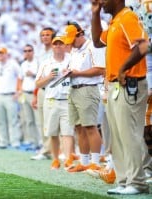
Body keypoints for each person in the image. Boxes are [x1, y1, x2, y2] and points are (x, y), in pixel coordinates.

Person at [91, 0, 151, 195]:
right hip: (116, 86)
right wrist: (95, 13)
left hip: (129, 84)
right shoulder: (115, 21)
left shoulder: (127, 17)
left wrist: (124, 68)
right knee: (117, 137)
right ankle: (125, 180)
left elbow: (143, 46)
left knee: (130, 135)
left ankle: (138, 182)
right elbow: (96, 41)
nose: (100, 1)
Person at [64, 21, 105, 172]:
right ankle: (84, 161)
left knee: (90, 127)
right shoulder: (75, 50)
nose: (71, 44)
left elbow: (100, 69)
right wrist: (67, 72)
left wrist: (78, 73)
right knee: (79, 127)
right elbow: (75, 70)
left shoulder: (93, 46)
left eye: (72, 40)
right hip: (74, 89)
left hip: (88, 89)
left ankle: (95, 162)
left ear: (80, 34)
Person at [35, 36, 75, 170]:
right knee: (52, 132)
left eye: (60, 44)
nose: (58, 46)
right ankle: (56, 159)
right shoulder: (46, 63)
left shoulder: (72, 59)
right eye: (55, 44)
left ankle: (68, 158)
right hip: (51, 101)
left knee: (67, 132)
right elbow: (37, 83)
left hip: (68, 100)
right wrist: (48, 77)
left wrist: (71, 73)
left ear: (65, 46)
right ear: (52, 47)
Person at [0, 47, 23, 149]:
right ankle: (3, 141)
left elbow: (21, 76)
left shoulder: (13, 64)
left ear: (6, 54)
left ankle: (15, 141)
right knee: (0, 120)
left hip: (10, 95)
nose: (0, 55)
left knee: (13, 120)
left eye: (2, 53)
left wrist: (19, 91)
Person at [31, 27, 56, 160]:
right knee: (42, 121)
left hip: (53, 89)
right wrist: (35, 95)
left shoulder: (56, 51)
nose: (45, 37)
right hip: (42, 89)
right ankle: (46, 149)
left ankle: (58, 150)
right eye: (43, 35)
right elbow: (38, 76)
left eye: (48, 35)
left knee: (54, 120)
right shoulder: (40, 54)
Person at [20, 44, 40, 150]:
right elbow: (20, 78)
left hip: (34, 93)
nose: (27, 52)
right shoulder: (23, 64)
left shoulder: (38, 62)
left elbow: (42, 77)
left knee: (38, 120)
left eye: (29, 50)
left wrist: (33, 74)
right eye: (25, 51)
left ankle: (41, 142)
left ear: (33, 51)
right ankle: (34, 142)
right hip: (25, 92)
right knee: (29, 120)